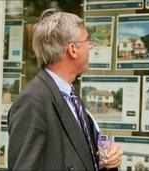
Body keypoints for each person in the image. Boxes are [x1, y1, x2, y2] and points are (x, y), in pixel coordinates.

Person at [8, 8, 123, 171]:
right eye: (87, 41)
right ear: (73, 49)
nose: (90, 47)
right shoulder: (33, 101)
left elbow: (80, 156)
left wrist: (107, 160)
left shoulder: (69, 96)